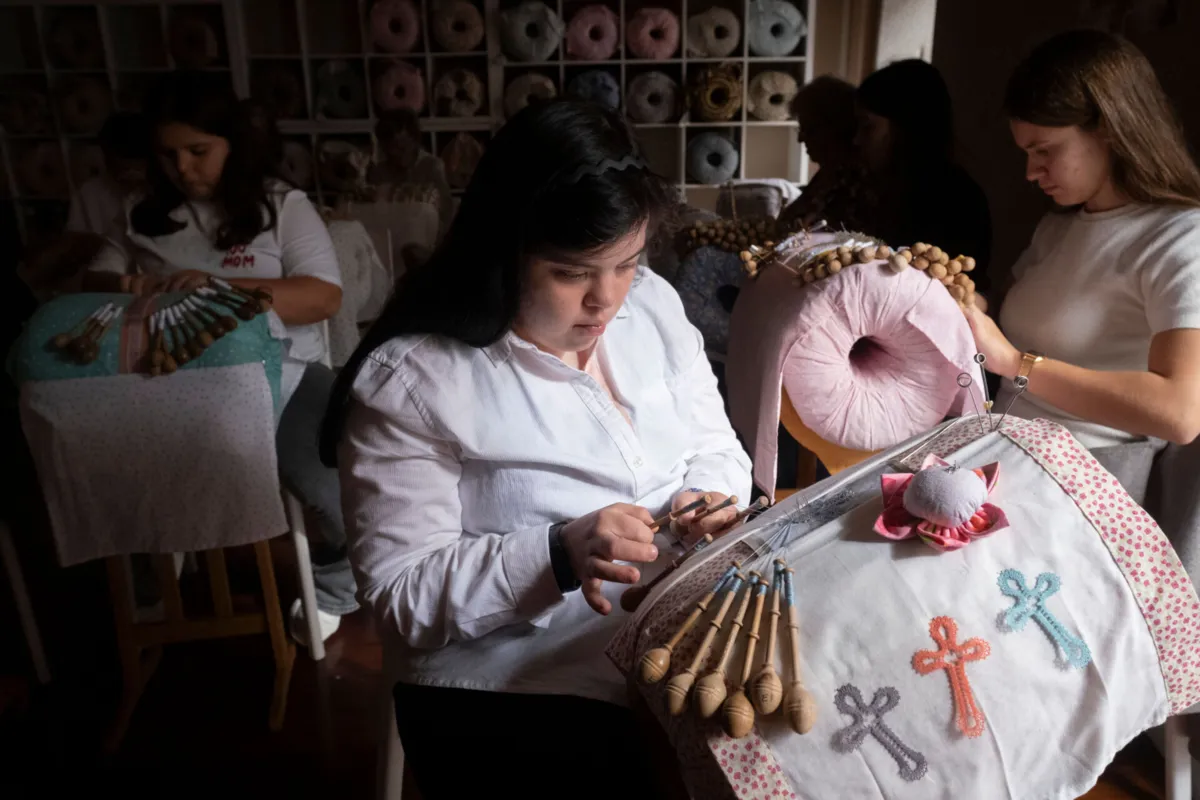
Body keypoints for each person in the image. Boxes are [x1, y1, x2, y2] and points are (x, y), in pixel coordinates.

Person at [320, 99, 753, 798]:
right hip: (515, 682)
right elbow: (401, 595)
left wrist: (707, 497)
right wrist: (557, 552)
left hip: (670, 642)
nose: (605, 300)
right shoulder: (416, 379)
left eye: (627, 262)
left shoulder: (653, 306)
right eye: (572, 272)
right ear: (505, 250)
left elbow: (716, 443)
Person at [82, 71, 356, 643]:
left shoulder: (282, 207)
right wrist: (127, 285)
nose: (183, 168)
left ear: (234, 143)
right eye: (168, 155)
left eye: (198, 151)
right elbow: (97, 277)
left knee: (342, 484)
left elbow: (323, 296)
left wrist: (220, 287)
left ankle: (334, 579)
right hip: (168, 381)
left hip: (282, 374)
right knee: (117, 469)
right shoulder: (140, 213)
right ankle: (156, 575)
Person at [966, 30, 1200, 495]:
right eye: (1026, 153)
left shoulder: (1181, 238)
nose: (1031, 173)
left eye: (1045, 150)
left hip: (1086, 485)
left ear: (1110, 129)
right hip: (1004, 454)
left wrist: (1016, 362)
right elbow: (1006, 321)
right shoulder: (1059, 228)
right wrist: (966, 304)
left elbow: (1180, 412)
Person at [854, 59, 994, 293]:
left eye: (867, 126)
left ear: (905, 128)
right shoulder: (886, 188)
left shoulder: (954, 201)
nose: (857, 139)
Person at [777, 75, 874, 233]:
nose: (800, 138)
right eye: (800, 129)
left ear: (837, 128)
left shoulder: (855, 182)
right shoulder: (829, 172)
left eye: (809, 130)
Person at [367, 107, 454, 239]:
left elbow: (447, 214)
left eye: (401, 147)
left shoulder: (432, 167)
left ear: (415, 140)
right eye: (388, 148)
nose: (394, 153)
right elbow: (372, 215)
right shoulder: (379, 173)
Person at [66, 111, 152, 236]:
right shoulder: (90, 193)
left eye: (133, 167)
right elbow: (75, 239)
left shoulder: (167, 193)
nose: (127, 174)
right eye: (119, 167)